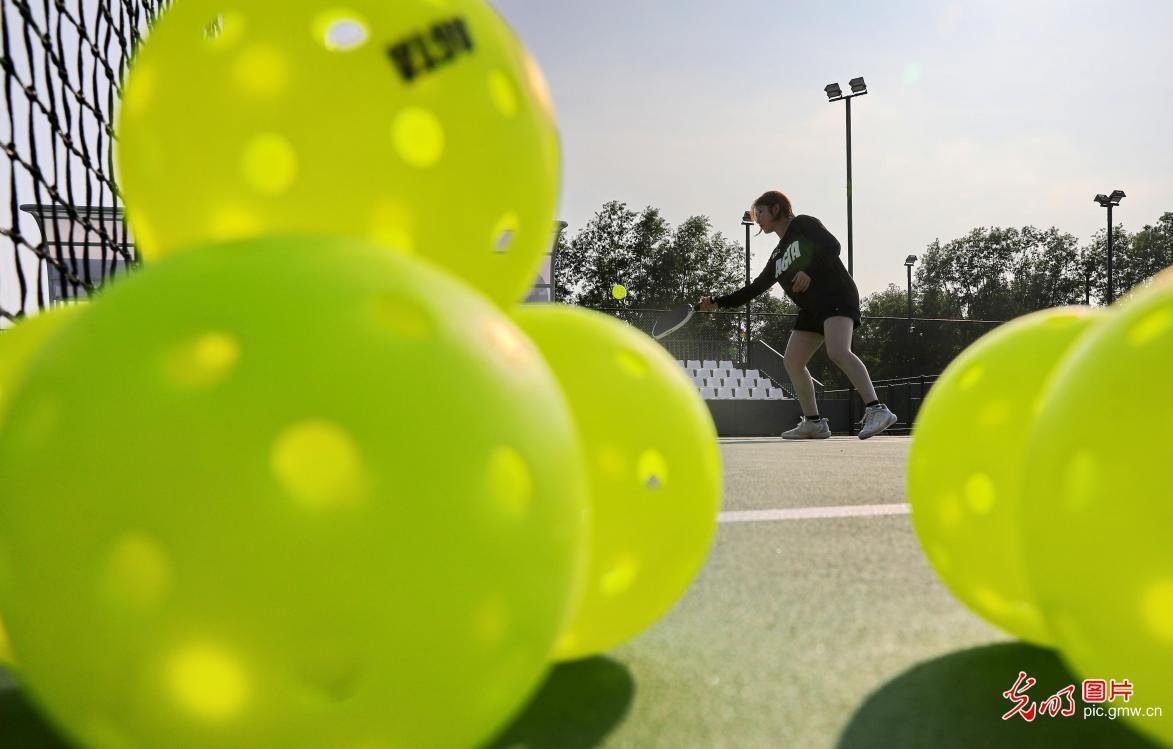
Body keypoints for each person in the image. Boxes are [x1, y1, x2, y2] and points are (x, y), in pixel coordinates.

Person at [698, 190, 897, 440]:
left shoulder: (803, 224)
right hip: (812, 309)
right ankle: (813, 422)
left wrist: (809, 271)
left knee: (837, 351)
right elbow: (755, 288)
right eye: (754, 214)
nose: (757, 218)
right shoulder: (777, 255)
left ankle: (877, 409)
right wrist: (717, 302)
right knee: (792, 361)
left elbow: (832, 246)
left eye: (760, 212)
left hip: (836, 295)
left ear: (776, 209)